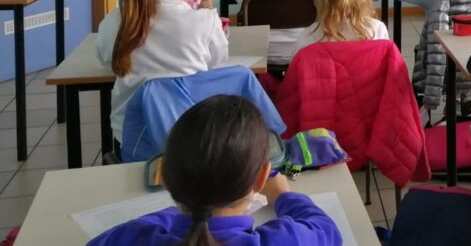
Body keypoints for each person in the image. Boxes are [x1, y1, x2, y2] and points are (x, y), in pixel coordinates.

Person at [88, 95, 341, 245]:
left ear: (165, 176)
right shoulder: (284, 239)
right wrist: (285, 196)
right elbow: (326, 229)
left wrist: (176, 212)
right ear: (261, 178)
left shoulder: (135, 237)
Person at [96, 0, 228, 147]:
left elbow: (105, 60)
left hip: (131, 136)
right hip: (190, 134)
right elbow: (216, 63)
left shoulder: (118, 18)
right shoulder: (205, 20)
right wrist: (206, 10)